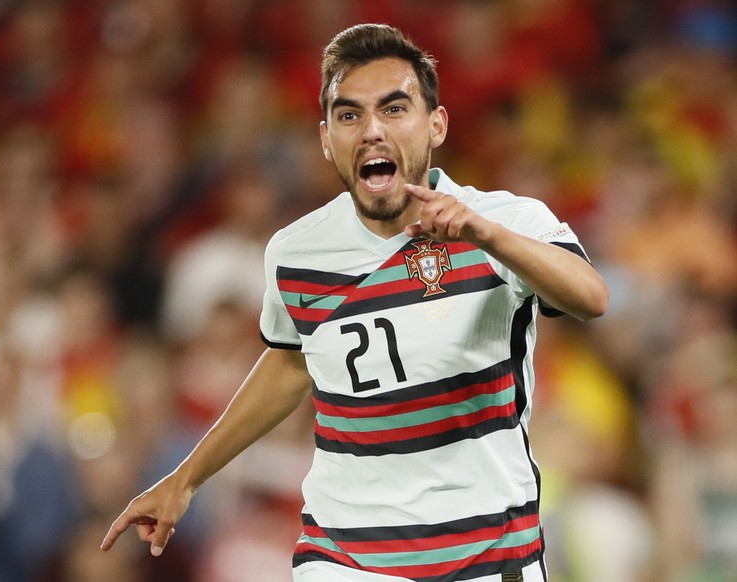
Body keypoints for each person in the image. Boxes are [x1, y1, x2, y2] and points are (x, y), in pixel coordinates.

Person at [101, 23, 608, 582]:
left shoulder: (507, 221)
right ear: (325, 138)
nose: (371, 130)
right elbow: (294, 360)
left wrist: (486, 237)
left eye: (394, 110)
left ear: (435, 124)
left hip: (485, 555)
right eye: (349, 115)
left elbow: (590, 297)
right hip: (346, 558)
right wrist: (187, 477)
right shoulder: (296, 252)